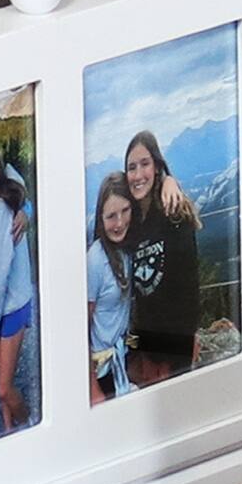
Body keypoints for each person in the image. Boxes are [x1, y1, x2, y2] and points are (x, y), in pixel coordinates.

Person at [119, 126, 202, 390]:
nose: (138, 174)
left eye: (145, 164)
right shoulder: (129, 217)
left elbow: (189, 287)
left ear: (156, 166)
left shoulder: (173, 213)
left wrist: (184, 345)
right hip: (142, 339)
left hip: (172, 343)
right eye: (132, 167)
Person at [0, 147, 35, 435]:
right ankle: (11, 430)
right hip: (0, 304)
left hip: (9, 306)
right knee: (3, 376)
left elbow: (0, 271)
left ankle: (29, 426)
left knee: (3, 389)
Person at [86, 172, 139, 402]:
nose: (119, 223)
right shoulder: (95, 260)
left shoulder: (128, 248)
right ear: (100, 218)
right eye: (111, 216)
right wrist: (92, 389)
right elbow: (81, 327)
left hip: (125, 351)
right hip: (102, 369)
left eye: (125, 211)